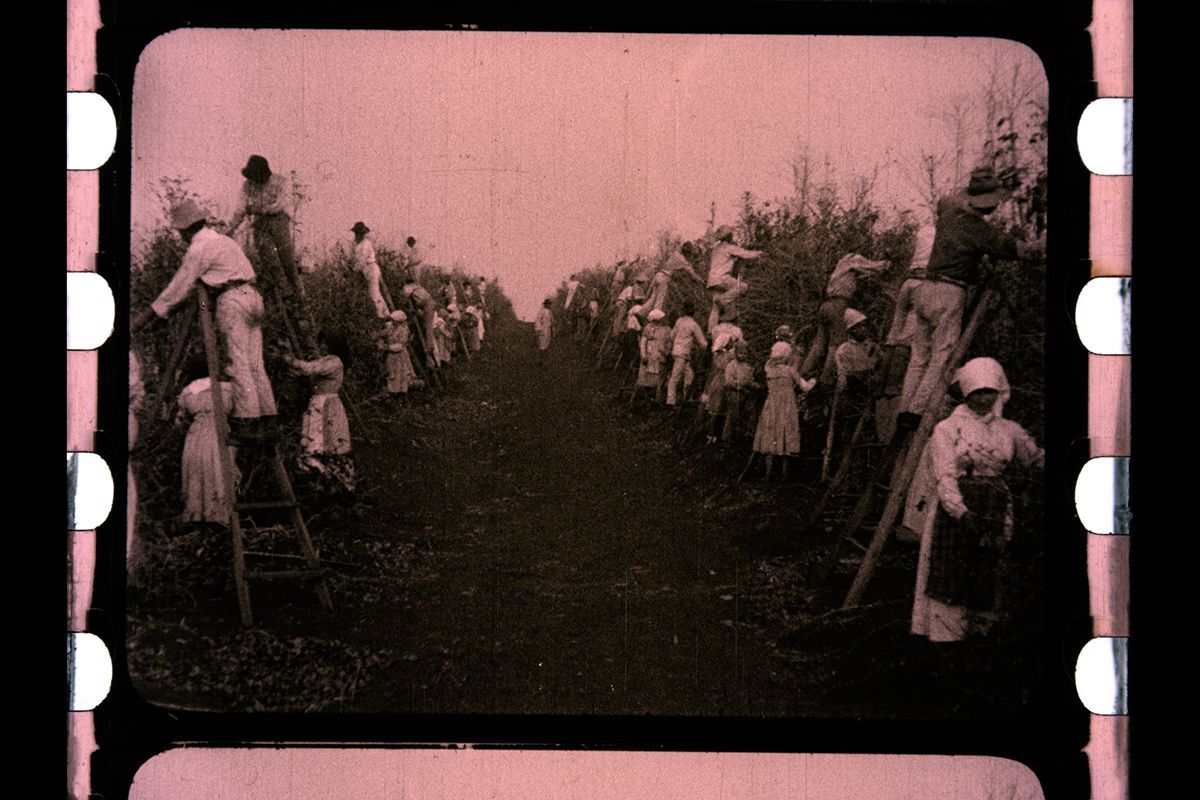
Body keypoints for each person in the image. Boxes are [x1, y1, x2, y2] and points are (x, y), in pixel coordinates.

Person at [896, 167, 1044, 429]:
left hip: (925, 288)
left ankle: (904, 407)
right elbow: (1023, 251)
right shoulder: (980, 231)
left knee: (918, 357)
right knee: (942, 355)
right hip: (949, 294)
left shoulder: (951, 212)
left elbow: (946, 199)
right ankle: (915, 414)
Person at [908, 357, 1043, 643]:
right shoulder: (948, 429)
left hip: (995, 508)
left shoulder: (1008, 430)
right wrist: (962, 513)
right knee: (953, 571)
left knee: (988, 570)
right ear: (966, 393)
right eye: (976, 393)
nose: (983, 399)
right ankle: (948, 640)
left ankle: (981, 639)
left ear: (999, 392)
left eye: (989, 392)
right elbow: (945, 476)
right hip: (957, 508)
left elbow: (1034, 458)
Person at [134, 199, 277, 440]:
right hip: (251, 293)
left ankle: (247, 422)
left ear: (186, 229)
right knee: (255, 362)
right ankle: (268, 421)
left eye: (180, 232)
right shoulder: (224, 241)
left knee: (238, 361)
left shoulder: (199, 249)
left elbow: (178, 287)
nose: (180, 237)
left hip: (232, 297)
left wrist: (151, 315)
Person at [798, 252, 890, 386]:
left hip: (826, 305)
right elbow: (873, 267)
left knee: (818, 345)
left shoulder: (841, 266)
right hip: (839, 304)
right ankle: (825, 382)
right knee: (836, 344)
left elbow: (862, 274)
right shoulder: (853, 258)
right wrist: (886, 264)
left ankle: (799, 377)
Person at [283, 334, 357, 497]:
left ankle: (338, 486)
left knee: (328, 442)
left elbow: (311, 368)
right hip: (318, 403)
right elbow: (308, 370)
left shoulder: (334, 361)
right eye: (321, 344)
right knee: (318, 442)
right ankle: (323, 484)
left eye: (325, 344)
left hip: (327, 406)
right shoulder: (328, 360)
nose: (323, 347)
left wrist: (289, 358)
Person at [177, 360, 239, 527]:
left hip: (196, 435)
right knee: (218, 470)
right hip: (219, 431)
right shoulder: (227, 389)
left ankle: (198, 514)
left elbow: (180, 418)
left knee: (197, 471)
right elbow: (237, 410)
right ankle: (219, 514)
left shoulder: (188, 392)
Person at [228, 155, 299, 285]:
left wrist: (256, 208)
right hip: (260, 223)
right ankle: (282, 292)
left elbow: (279, 205)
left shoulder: (281, 182)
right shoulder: (247, 185)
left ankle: (299, 295)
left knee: (287, 259)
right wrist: (231, 228)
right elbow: (240, 208)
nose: (255, 181)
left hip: (279, 221)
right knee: (269, 261)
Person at [752, 341, 815, 480]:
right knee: (786, 433)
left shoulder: (769, 368)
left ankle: (767, 474)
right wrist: (813, 381)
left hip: (772, 406)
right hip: (787, 407)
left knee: (771, 433)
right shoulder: (789, 370)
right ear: (786, 356)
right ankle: (784, 474)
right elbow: (805, 387)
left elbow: (770, 362)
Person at [707, 226, 762, 332]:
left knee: (715, 309)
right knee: (742, 287)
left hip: (712, 280)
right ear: (728, 236)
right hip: (722, 278)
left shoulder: (716, 249)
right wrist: (758, 254)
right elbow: (745, 253)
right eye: (731, 234)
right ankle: (722, 300)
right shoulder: (728, 247)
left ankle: (711, 331)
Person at [700, 322, 744, 444]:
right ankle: (713, 434)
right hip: (722, 383)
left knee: (716, 410)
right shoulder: (726, 355)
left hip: (718, 382)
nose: (732, 343)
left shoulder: (719, 354)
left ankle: (712, 435)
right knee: (717, 409)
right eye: (730, 341)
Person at [666, 300, 708, 406]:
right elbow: (703, 343)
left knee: (689, 374)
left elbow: (671, 336)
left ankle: (685, 398)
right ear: (693, 312)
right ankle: (671, 401)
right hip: (683, 353)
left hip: (677, 351)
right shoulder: (693, 324)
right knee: (675, 376)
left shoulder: (679, 321)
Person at [646, 243, 704, 313]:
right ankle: (655, 320)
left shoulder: (675, 254)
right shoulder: (682, 261)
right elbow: (691, 272)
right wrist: (701, 281)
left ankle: (641, 313)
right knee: (659, 301)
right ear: (687, 253)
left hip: (658, 274)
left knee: (652, 299)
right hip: (664, 277)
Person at [351, 221, 390, 319]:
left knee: (374, 293)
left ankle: (383, 316)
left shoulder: (366, 243)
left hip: (370, 268)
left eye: (359, 233)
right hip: (363, 270)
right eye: (356, 233)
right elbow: (354, 258)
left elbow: (363, 259)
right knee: (366, 293)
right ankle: (381, 314)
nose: (357, 235)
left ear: (363, 233)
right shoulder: (355, 244)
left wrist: (355, 269)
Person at [635, 308, 672, 407]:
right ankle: (648, 399)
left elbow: (669, 342)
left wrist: (667, 353)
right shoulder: (648, 328)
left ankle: (658, 400)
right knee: (647, 379)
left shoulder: (666, 329)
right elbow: (643, 343)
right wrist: (643, 355)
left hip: (660, 356)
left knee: (660, 380)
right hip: (649, 356)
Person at [721, 341, 757, 443]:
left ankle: (739, 435)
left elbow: (750, 379)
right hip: (734, 392)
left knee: (743, 414)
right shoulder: (731, 365)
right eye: (740, 353)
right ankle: (726, 437)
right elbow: (728, 381)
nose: (742, 356)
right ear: (736, 353)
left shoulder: (747, 366)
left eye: (745, 354)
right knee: (732, 415)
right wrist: (740, 385)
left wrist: (753, 384)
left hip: (745, 393)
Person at [377, 310, 417, 399]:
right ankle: (393, 394)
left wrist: (386, 347)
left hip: (399, 356)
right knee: (392, 375)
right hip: (391, 357)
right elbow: (383, 333)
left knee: (400, 375)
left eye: (394, 320)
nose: (392, 321)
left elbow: (400, 346)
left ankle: (401, 396)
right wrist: (378, 336)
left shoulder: (403, 331)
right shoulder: (391, 327)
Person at [402, 277, 439, 368]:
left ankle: (429, 348)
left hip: (427, 306)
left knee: (428, 328)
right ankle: (429, 347)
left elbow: (405, 295)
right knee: (427, 327)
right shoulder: (418, 286)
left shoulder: (409, 287)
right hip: (428, 305)